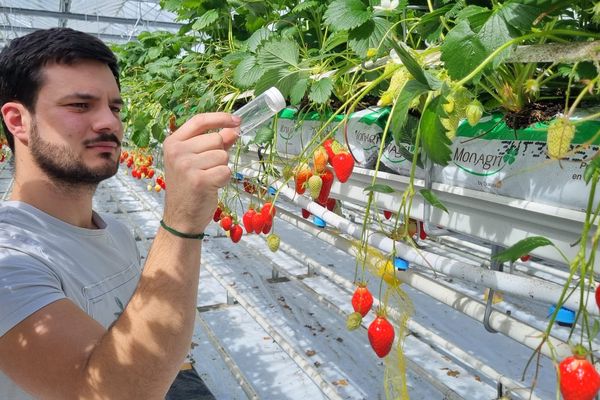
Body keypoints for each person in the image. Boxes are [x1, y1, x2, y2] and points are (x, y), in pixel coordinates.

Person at [0, 27, 240, 399]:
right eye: (80, 105)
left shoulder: (117, 232)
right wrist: (181, 223)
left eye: (114, 107)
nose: (109, 123)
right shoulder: (8, 260)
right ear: (18, 121)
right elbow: (99, 392)